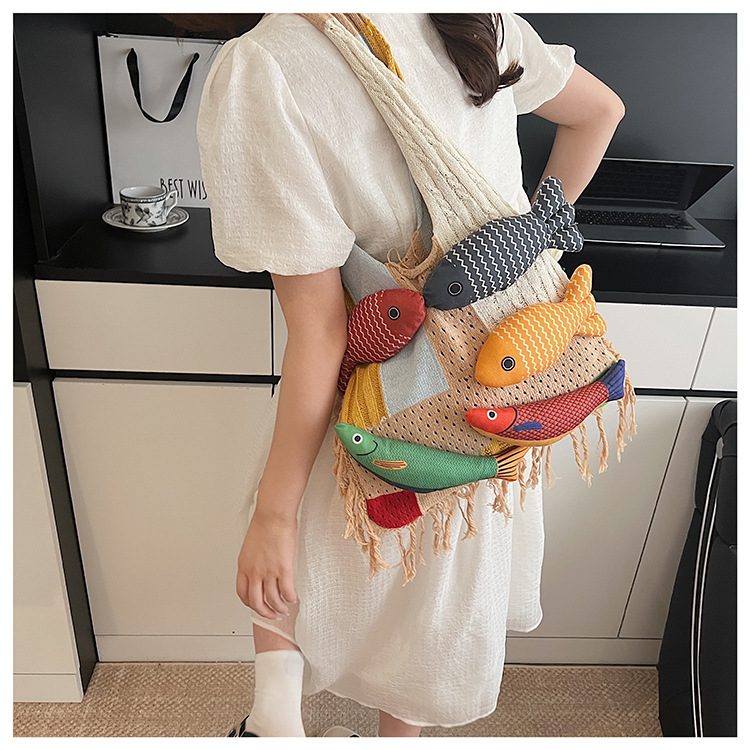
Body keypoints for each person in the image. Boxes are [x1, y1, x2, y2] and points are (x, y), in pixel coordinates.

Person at [193, 12, 624, 737]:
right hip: (504, 381)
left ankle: (273, 722)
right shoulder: (479, 17)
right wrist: (529, 235)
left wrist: (272, 515)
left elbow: (322, 329)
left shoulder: (264, 64)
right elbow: (600, 113)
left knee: (298, 538)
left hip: (386, 386)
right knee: (438, 585)